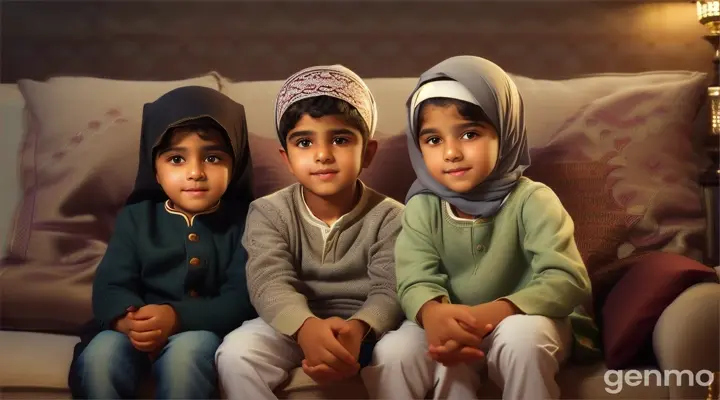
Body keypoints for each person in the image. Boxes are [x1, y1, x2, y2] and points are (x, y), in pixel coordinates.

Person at [216, 65, 435, 399]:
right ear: (286, 158)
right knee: (236, 352)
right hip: (292, 328)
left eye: (340, 139)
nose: (322, 155)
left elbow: (390, 288)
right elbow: (268, 281)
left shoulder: (392, 217)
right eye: (304, 142)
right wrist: (305, 328)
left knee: (406, 350)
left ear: (368, 153)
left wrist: (359, 329)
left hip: (373, 329)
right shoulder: (268, 212)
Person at [395, 55, 601, 400]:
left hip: (529, 319)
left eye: (469, 133)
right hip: (452, 322)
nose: (451, 153)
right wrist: (434, 314)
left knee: (521, 339)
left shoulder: (533, 200)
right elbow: (414, 277)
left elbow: (566, 280)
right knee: (400, 351)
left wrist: (495, 312)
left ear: (505, 131)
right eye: (433, 140)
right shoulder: (422, 207)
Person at [68, 86, 256, 399]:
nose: (195, 173)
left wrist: (177, 318)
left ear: (234, 164)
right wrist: (128, 321)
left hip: (202, 330)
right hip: (134, 327)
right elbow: (110, 286)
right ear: (155, 170)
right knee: (101, 357)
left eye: (212, 157)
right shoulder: (137, 218)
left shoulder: (249, 222)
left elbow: (241, 301)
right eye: (177, 159)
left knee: (189, 354)